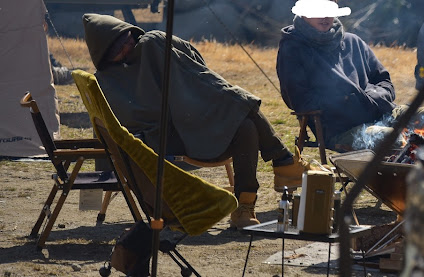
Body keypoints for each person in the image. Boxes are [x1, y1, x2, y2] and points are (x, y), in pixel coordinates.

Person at [82, 13, 314, 230]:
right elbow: (123, 125)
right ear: (104, 55)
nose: (127, 46)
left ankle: (245, 206)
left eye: (127, 38)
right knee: (236, 103)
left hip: (196, 121)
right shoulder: (109, 81)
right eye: (117, 48)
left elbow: (194, 65)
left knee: (245, 127)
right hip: (163, 143)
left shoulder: (150, 46)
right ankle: (283, 161)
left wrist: (184, 98)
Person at [276, 0, 424, 151]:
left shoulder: (353, 42)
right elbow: (300, 101)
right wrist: (349, 101)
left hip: (386, 115)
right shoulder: (293, 48)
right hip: (343, 130)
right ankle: (421, 172)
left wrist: (370, 97)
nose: (324, 15)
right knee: (388, 138)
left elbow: (385, 83)